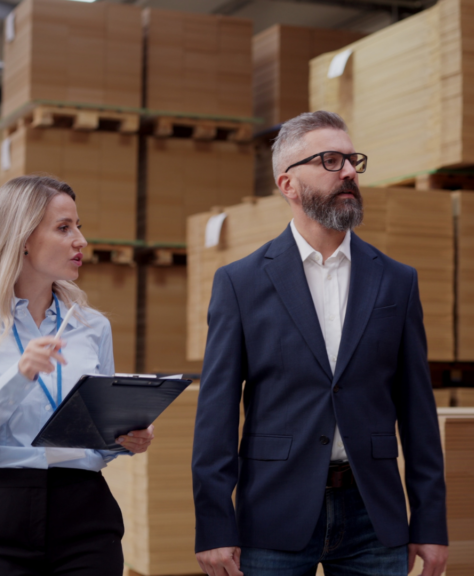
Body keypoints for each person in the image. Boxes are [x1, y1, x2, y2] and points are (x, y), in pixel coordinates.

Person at [191, 111, 448, 576]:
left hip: (374, 514)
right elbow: (217, 412)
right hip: (273, 513)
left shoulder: (396, 281)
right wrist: (214, 524)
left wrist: (430, 521)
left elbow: (418, 411)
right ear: (288, 184)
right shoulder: (240, 283)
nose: (349, 171)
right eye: (330, 160)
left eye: (352, 160)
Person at [0, 175, 154, 576]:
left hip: (84, 512)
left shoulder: (92, 327)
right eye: (64, 228)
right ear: (22, 238)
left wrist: (123, 439)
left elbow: (97, 437)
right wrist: (18, 377)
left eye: (79, 227)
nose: (80, 241)